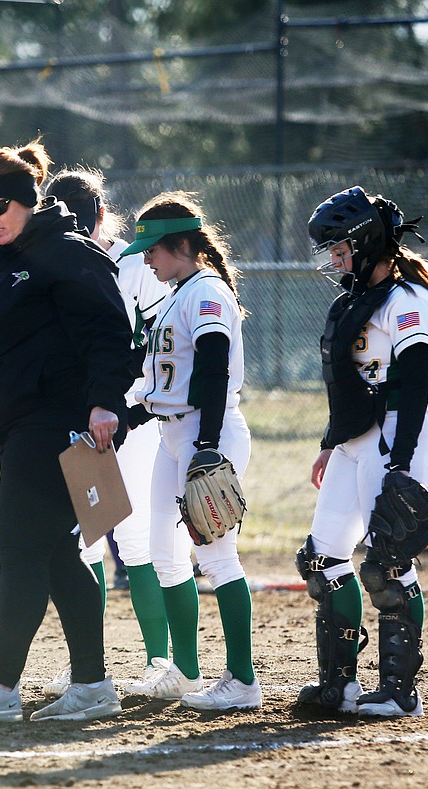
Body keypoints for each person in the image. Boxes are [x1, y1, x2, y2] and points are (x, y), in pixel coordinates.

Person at [0, 138, 134, 722]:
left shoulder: (69, 253)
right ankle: (92, 686)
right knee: (58, 552)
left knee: (18, 545)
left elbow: (110, 335)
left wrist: (104, 403)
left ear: (29, 200)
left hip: (60, 422)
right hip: (14, 430)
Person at [294, 186, 428, 718]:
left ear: (365, 243)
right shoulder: (358, 299)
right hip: (358, 441)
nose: (334, 258)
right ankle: (340, 686)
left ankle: (399, 691)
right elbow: (352, 384)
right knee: (320, 559)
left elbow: (412, 386)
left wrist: (402, 466)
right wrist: (330, 443)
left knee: (385, 562)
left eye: (340, 247)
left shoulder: (409, 301)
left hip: (398, 436)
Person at [120, 191, 259, 712]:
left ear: (181, 245)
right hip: (175, 434)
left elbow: (215, 367)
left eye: (154, 250)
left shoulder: (205, 292)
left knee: (216, 556)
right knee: (163, 553)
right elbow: (168, 386)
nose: (148, 260)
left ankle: (243, 681)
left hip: (209, 434)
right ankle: (184, 671)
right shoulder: (181, 290)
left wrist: (205, 448)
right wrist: (125, 420)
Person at [40, 167, 172, 700]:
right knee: (86, 544)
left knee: (134, 540)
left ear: (96, 218)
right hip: (85, 416)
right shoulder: (60, 261)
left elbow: (150, 339)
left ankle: (161, 661)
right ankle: (87, 667)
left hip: (131, 413)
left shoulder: (135, 262)